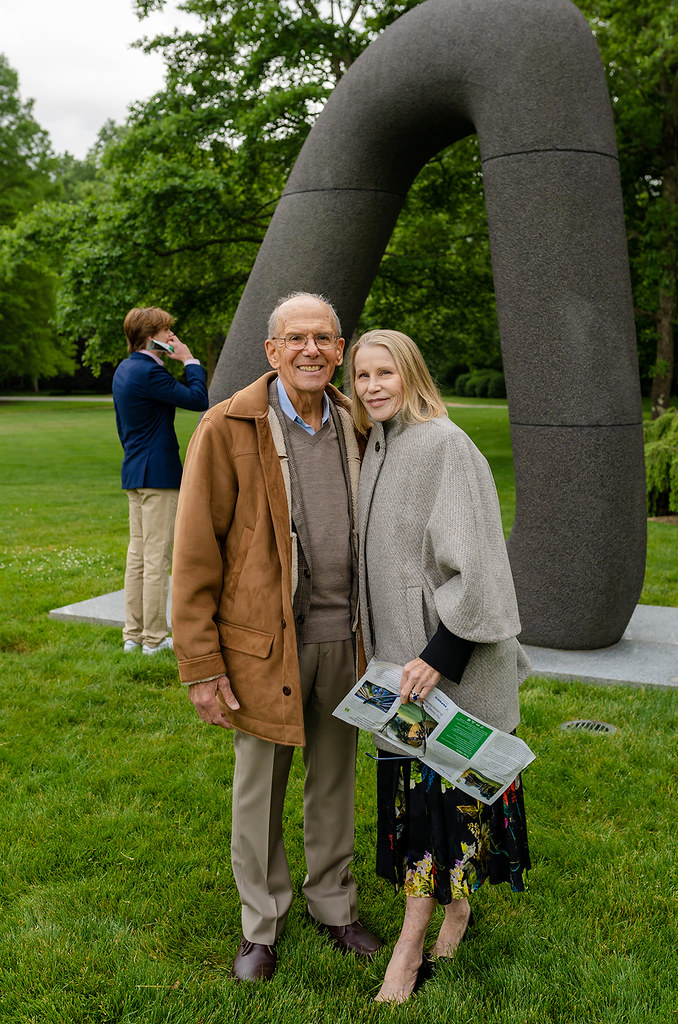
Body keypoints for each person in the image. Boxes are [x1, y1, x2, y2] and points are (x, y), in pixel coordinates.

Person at [171, 291, 381, 982]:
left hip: (346, 640)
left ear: (340, 349)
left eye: (324, 337)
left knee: (334, 784)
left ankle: (335, 905)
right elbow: (196, 553)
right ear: (272, 351)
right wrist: (203, 666)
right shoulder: (227, 426)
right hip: (262, 646)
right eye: (296, 338)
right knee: (259, 790)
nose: (311, 350)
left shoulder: (360, 422)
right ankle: (260, 926)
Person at [350, 329, 532, 1004]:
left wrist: (440, 653)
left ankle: (409, 948)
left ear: (412, 374)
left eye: (384, 373)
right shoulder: (379, 445)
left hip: (442, 668)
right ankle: (455, 907)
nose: (371, 386)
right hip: (399, 673)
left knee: (445, 804)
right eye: (362, 374)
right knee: (418, 807)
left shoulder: (444, 445)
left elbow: (480, 563)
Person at [112, 306, 208, 654]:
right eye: (167, 332)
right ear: (151, 337)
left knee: (138, 556)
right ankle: (154, 638)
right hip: (158, 476)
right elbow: (198, 400)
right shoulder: (150, 374)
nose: (172, 338)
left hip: (135, 472)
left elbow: (124, 428)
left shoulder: (125, 370)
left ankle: (133, 635)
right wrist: (190, 361)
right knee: (156, 559)